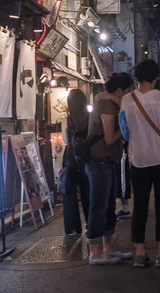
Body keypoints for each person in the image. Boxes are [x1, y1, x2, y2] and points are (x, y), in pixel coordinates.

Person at [121, 59, 160, 268]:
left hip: (138, 159)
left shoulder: (127, 100)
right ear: (156, 77)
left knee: (140, 206)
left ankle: (140, 253)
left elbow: (125, 129)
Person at [86, 73, 134, 266]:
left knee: (109, 206)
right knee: (98, 206)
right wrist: (125, 131)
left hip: (108, 160)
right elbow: (109, 138)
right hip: (99, 160)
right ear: (120, 90)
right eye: (129, 91)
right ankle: (95, 252)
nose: (130, 94)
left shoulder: (111, 102)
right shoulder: (106, 106)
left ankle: (108, 248)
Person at [61, 89, 90, 235]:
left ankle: (73, 228)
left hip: (70, 159)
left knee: (70, 194)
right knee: (88, 193)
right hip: (86, 157)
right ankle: (91, 224)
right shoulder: (89, 118)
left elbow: (66, 141)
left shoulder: (66, 120)